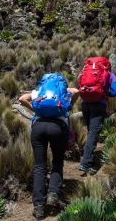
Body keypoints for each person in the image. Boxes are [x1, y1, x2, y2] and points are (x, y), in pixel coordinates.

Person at [19, 74, 79, 220]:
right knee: (58, 162)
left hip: (38, 127)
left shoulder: (38, 92)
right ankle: (53, 194)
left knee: (39, 166)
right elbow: (77, 91)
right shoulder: (63, 92)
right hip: (57, 127)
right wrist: (69, 106)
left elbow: (21, 99)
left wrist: (34, 108)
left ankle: (39, 206)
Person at [78, 65, 116, 175]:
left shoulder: (87, 71)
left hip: (85, 103)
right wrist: (103, 92)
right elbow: (114, 92)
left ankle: (88, 158)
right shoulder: (110, 75)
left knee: (91, 131)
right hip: (99, 105)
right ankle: (85, 163)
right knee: (93, 133)